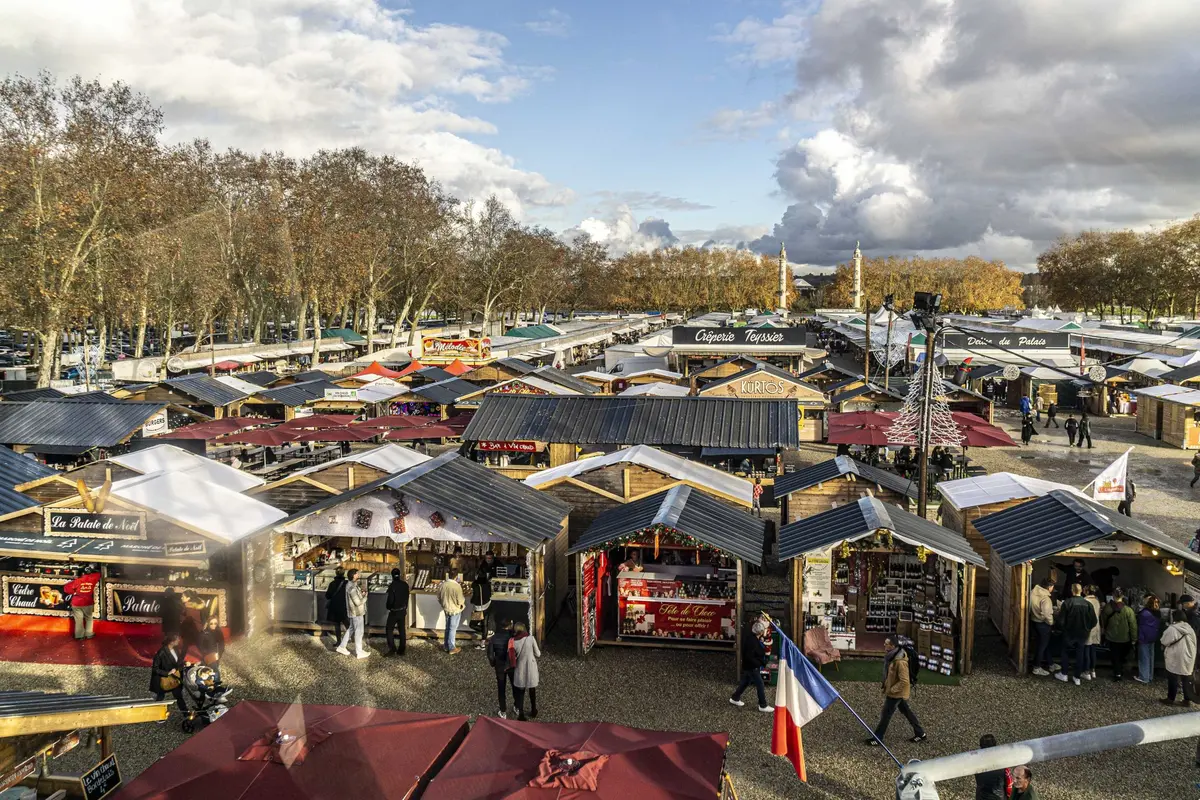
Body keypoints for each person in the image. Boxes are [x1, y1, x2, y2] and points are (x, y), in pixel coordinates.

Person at [867, 636, 926, 745]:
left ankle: (877, 738)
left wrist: (892, 689)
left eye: (886, 644)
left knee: (886, 714)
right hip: (897, 692)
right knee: (906, 711)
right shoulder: (892, 656)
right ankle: (920, 733)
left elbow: (904, 681)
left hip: (896, 693)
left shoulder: (900, 661)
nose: (884, 645)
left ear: (893, 646)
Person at [1055, 583, 1097, 686]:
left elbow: (1061, 621)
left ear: (1072, 590)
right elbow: (1094, 621)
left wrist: (1061, 628)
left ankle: (1064, 673)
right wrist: (1087, 629)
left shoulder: (1067, 603)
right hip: (1082, 633)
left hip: (1069, 632)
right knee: (1080, 654)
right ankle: (1077, 676)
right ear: (1081, 591)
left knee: (1065, 652)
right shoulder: (1088, 604)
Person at [730, 619, 771, 712]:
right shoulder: (753, 642)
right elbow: (750, 656)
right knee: (760, 684)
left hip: (749, 665)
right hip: (753, 666)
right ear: (760, 632)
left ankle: (735, 698)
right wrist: (760, 663)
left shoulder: (750, 638)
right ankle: (763, 705)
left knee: (745, 682)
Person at [1161, 609, 1197, 708]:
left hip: (1175, 656)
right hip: (1188, 657)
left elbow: (1164, 641)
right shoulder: (1190, 629)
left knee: (1172, 678)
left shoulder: (1172, 629)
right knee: (1186, 679)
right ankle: (1187, 700)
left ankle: (1170, 698)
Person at [1102, 589, 1137, 681]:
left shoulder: (1107, 608)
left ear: (1113, 596)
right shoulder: (1128, 610)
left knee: (1115, 656)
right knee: (1122, 656)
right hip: (1125, 638)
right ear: (1122, 597)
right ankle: (1121, 671)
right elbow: (1133, 626)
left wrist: (1104, 632)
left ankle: (1117, 673)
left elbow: (1103, 621)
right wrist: (1134, 638)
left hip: (1111, 637)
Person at [335, 569, 369, 659]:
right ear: (354, 575)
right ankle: (359, 652)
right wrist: (365, 597)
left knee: (351, 629)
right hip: (357, 613)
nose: (359, 574)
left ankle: (342, 647)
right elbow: (357, 602)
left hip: (354, 612)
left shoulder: (352, 585)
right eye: (357, 573)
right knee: (359, 632)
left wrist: (361, 594)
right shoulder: (352, 587)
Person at [511, 622, 541, 721]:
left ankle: (521, 713)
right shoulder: (530, 638)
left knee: (520, 692)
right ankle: (533, 710)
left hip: (520, 668)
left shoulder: (513, 641)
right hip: (530, 667)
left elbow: (512, 657)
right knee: (532, 690)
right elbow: (538, 654)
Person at [149, 633, 187, 713]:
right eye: (177, 639)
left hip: (174, 678)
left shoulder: (175, 649)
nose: (179, 640)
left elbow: (178, 661)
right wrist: (168, 673)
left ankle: (185, 713)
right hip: (164, 680)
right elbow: (155, 669)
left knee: (179, 696)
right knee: (160, 697)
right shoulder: (161, 653)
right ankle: (157, 714)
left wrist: (185, 663)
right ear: (171, 641)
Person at [487, 619, 516, 718]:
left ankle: (503, 711)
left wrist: (494, 663)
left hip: (499, 665)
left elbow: (490, 655)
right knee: (514, 686)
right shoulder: (512, 637)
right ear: (509, 626)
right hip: (511, 664)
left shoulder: (494, 638)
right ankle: (517, 706)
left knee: (501, 688)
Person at [63, 564, 100, 640]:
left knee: (78, 620)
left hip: (76, 603)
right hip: (87, 602)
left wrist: (74, 593)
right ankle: (89, 634)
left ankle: (79, 635)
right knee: (89, 618)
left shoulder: (78, 581)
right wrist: (92, 569)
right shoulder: (93, 579)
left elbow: (66, 588)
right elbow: (99, 574)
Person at [1029, 577, 1057, 676]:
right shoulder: (1046, 599)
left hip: (1034, 621)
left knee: (1044, 644)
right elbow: (1047, 614)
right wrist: (1051, 622)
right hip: (1043, 624)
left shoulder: (1033, 592)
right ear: (1049, 587)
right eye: (1052, 586)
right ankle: (1036, 667)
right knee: (1042, 646)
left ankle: (1051, 664)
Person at [975, 734, 1010, 800]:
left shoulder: (976, 763)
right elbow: (1009, 783)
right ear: (995, 746)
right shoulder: (1003, 762)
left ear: (981, 747)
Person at [384, 568, 409, 657]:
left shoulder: (392, 586)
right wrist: (405, 606)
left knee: (389, 629)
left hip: (394, 611)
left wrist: (388, 607)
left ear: (392, 575)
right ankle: (402, 649)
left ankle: (392, 649)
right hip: (402, 610)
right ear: (400, 574)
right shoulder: (405, 585)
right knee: (402, 629)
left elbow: (390, 600)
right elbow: (407, 597)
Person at [1137, 594, 1161, 684]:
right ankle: (1150, 676)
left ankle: (1144, 677)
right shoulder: (1158, 613)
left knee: (1144, 658)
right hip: (1153, 636)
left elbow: (1139, 623)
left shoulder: (1144, 613)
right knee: (1151, 657)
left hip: (1144, 637)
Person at [437, 575, 465, 654]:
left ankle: (446, 645)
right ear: (456, 577)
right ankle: (451, 647)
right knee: (452, 629)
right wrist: (462, 605)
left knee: (448, 627)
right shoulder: (457, 586)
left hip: (446, 609)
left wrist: (443, 605)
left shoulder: (443, 585)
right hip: (455, 610)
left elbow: (438, 597)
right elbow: (460, 600)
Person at [198, 616, 226, 685]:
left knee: (211, 670)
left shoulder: (219, 632)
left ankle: (209, 686)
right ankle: (217, 687)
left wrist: (219, 654)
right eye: (211, 623)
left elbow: (222, 644)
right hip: (209, 655)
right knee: (216, 671)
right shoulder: (204, 633)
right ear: (208, 623)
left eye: (215, 623)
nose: (213, 625)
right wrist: (206, 654)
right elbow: (200, 645)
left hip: (217, 655)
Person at [470, 565, 493, 648]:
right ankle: (483, 643)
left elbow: (474, 597)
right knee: (485, 624)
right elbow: (490, 594)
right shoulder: (487, 583)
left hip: (479, 608)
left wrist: (471, 601)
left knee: (472, 625)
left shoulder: (475, 585)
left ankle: (485, 632)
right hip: (487, 605)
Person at [325, 567, 349, 642]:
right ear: (344, 573)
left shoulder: (332, 583)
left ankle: (339, 641)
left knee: (337, 625)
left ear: (336, 573)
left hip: (334, 607)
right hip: (344, 606)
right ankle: (352, 638)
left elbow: (328, 596)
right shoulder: (347, 583)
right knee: (347, 624)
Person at [1085, 585, 1102, 681]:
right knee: (1093, 649)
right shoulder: (1097, 601)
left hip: (1088, 627)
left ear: (1086, 591)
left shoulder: (1085, 601)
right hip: (1096, 627)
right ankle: (1093, 670)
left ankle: (1086, 671)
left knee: (1086, 648)